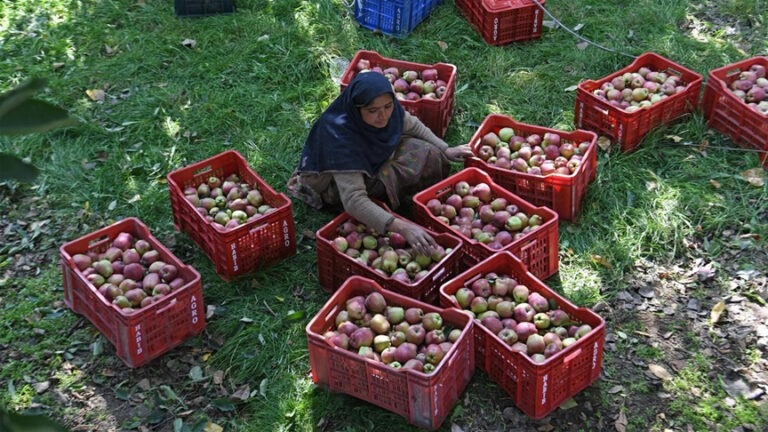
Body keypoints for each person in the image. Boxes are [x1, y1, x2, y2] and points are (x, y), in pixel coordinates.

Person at [287, 71, 473, 256]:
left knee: (429, 152)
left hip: (371, 155)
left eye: (388, 107)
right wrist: (402, 227)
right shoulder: (339, 136)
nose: (383, 116)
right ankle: (386, 210)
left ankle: (398, 198)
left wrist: (445, 149)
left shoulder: (386, 109)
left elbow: (412, 125)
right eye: (372, 111)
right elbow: (354, 200)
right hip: (336, 182)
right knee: (384, 182)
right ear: (356, 109)